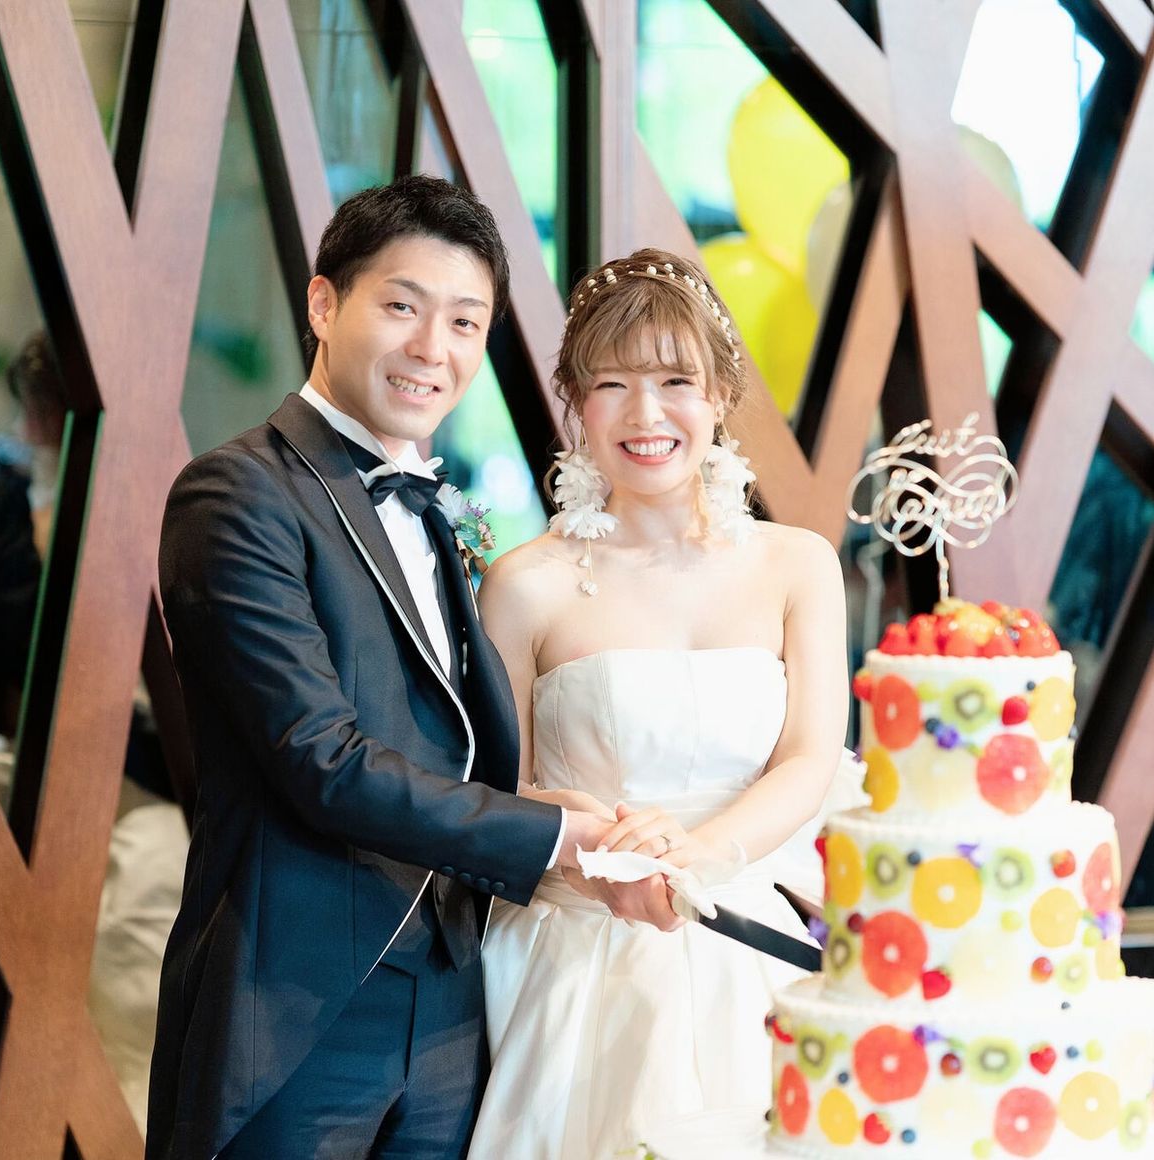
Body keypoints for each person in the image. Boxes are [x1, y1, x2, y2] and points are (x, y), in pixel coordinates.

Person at [147, 177, 636, 1160]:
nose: (432, 348)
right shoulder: (237, 494)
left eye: (465, 321)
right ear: (324, 304)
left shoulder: (441, 508)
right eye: (402, 306)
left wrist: (568, 816)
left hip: (452, 1003)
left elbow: (446, 743)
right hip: (298, 1004)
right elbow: (321, 758)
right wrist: (551, 834)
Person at [469, 249, 853, 1158]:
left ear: (720, 394)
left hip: (747, 935)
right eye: (612, 384)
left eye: (675, 381)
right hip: (581, 954)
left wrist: (705, 856)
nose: (646, 415)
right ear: (577, 402)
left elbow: (809, 757)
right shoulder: (524, 586)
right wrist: (598, 852)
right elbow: (495, 791)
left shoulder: (797, 565)